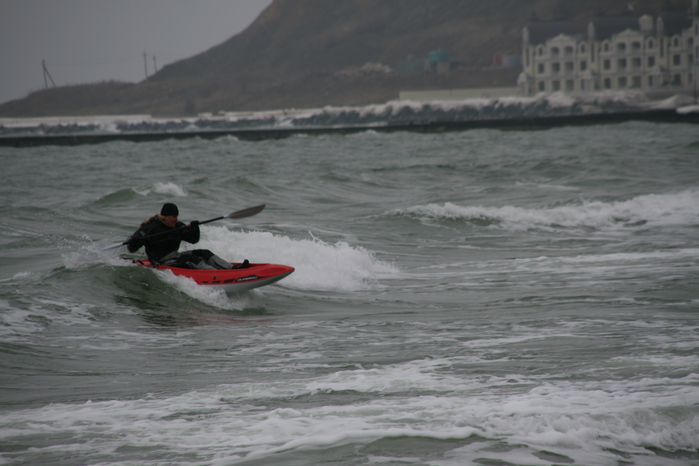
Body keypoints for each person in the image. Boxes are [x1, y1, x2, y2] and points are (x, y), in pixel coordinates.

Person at [126, 202, 248, 270]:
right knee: (191, 259)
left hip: (175, 256)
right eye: (174, 217)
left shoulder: (178, 226)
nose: (176, 219)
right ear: (165, 217)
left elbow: (193, 240)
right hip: (161, 262)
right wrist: (135, 241)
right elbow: (131, 248)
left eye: (177, 216)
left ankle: (232, 269)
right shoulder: (150, 227)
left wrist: (195, 228)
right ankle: (216, 274)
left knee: (203, 253)